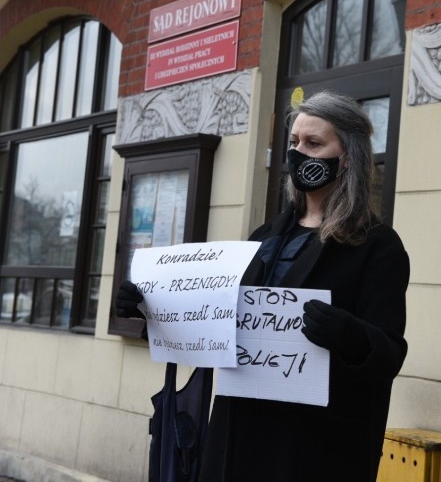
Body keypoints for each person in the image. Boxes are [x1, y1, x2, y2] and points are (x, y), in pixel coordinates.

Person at [117, 89, 410, 481]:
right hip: (237, 438)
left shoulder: (376, 246)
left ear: (349, 157)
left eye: (314, 143)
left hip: (310, 450)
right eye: (293, 142)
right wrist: (151, 310)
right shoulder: (264, 238)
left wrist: (349, 335)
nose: (298, 152)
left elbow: (389, 354)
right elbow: (216, 327)